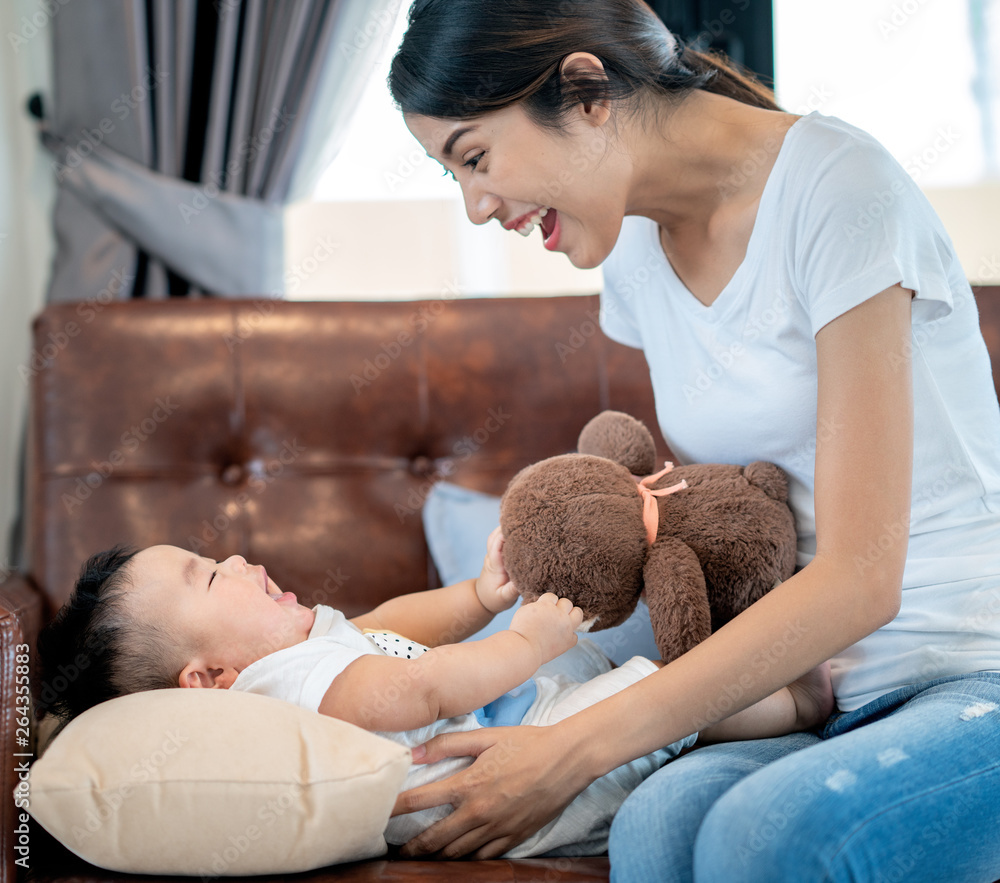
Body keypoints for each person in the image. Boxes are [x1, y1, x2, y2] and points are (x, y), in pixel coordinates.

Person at [386, 0, 1000, 879]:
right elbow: (725, 512)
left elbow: (862, 578)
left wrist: (572, 746)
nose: (479, 208)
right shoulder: (632, 248)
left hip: (967, 668)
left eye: (474, 158)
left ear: (587, 90)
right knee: (658, 826)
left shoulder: (839, 190)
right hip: (809, 696)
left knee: (766, 838)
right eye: (456, 180)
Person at [37, 533, 833, 859]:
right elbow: (418, 681)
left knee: (625, 677)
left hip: (518, 725)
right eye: (210, 576)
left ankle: (766, 694)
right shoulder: (283, 687)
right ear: (208, 679)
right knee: (652, 695)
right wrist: (526, 639)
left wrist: (478, 595)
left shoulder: (307, 648)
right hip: (512, 780)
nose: (239, 558)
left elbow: (389, 624)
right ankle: (798, 706)